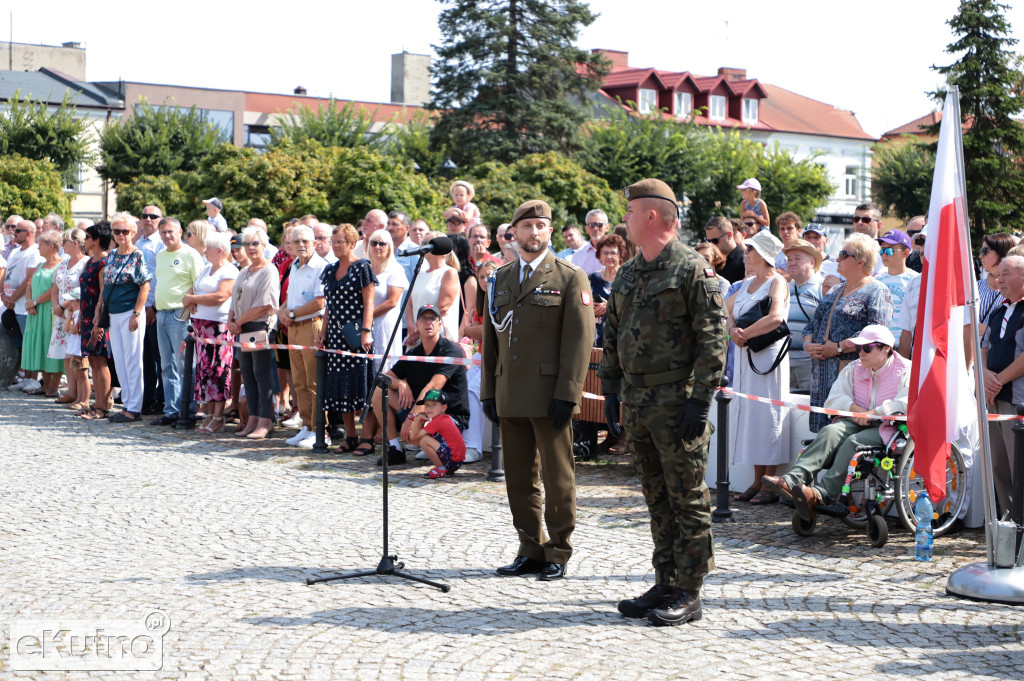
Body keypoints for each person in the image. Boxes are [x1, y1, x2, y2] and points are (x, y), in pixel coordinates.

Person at [599, 179, 727, 626]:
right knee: (655, 496)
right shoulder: (631, 272)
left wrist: (701, 401)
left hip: (678, 401)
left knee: (687, 496)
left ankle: (689, 590)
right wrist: (611, 387)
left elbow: (714, 340)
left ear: (652, 215)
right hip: (637, 400)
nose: (625, 219)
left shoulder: (692, 269)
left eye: (630, 211)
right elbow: (611, 332)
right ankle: (665, 579)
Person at [482, 199, 594, 583]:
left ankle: (558, 550)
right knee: (517, 476)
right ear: (513, 233)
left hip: (550, 396)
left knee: (558, 477)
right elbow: (491, 340)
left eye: (540, 226)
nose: (533, 232)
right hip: (509, 392)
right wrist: (488, 391)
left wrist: (569, 393)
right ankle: (530, 546)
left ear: (549, 231)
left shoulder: (569, 277)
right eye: (526, 226)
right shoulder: (500, 278)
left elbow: (579, 340)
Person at [763, 325, 910, 524]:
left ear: (885, 349)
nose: (861, 353)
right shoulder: (854, 368)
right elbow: (835, 399)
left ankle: (821, 494)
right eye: (859, 348)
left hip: (887, 428)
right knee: (830, 431)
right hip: (855, 420)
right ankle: (791, 480)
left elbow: (904, 402)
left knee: (854, 442)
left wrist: (873, 414)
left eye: (867, 348)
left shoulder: (905, 370)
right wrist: (858, 411)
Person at [803, 233, 893, 432]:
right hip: (821, 374)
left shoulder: (877, 291)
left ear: (860, 261)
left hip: (850, 377)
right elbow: (812, 324)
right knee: (821, 435)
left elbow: (877, 333)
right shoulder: (835, 290)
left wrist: (838, 348)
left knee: (841, 433)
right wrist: (808, 343)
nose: (838, 258)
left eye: (844, 254)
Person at [726, 231, 791, 505]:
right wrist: (733, 331)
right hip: (746, 354)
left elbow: (776, 317)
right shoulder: (746, 283)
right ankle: (756, 480)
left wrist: (745, 333)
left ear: (763, 253)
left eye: (750, 249)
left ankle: (770, 481)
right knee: (751, 414)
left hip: (768, 356)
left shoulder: (777, 281)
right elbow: (726, 310)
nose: (747, 254)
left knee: (768, 413)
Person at [367, 305, 470, 465]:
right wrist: (400, 383)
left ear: (439, 324)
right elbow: (382, 379)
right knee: (380, 390)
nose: (428, 323)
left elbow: (433, 387)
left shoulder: (451, 351)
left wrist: (411, 418)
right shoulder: (413, 353)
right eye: (424, 318)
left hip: (448, 417)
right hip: (423, 413)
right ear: (417, 325)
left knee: (423, 439)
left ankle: (444, 459)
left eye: (432, 319)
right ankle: (395, 449)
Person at [316, 224, 376, 452]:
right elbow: (329, 305)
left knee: (363, 385)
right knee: (341, 386)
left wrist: (366, 331)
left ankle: (367, 438)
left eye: (339, 241)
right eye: (333, 242)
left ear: (352, 243)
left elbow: (369, 302)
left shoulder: (361, 267)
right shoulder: (330, 270)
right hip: (336, 336)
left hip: (357, 335)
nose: (335, 246)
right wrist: (323, 331)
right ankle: (350, 436)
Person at [980, 255, 1024, 516]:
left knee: (1018, 462)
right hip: (993, 398)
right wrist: (985, 375)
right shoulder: (998, 310)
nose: (1000, 279)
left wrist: (997, 381)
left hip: (1015, 399)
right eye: (999, 274)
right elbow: (984, 346)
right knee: (999, 463)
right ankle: (1010, 521)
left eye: (1006, 273)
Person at [183, 232, 238, 434]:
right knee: (204, 371)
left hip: (218, 327)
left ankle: (218, 416)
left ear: (219, 251)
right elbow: (193, 290)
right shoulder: (207, 269)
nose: (205, 251)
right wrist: (188, 298)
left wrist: (192, 299)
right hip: (201, 326)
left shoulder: (229, 270)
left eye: (208, 248)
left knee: (218, 370)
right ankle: (207, 413)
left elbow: (221, 296)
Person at [151, 217, 204, 426]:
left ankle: (187, 411)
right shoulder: (161, 255)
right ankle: (171, 410)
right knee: (166, 366)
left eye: (171, 232)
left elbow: (199, 282)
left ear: (180, 231)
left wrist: (187, 305)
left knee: (185, 366)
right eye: (163, 232)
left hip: (180, 315)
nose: (167, 236)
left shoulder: (191, 254)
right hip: (162, 313)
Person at [229, 228, 280, 439]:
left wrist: (238, 321)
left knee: (262, 375)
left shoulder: (269, 270)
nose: (251, 248)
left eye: (255, 243)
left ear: (264, 246)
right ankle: (251, 419)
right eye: (248, 244)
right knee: (247, 375)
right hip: (242, 328)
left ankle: (264, 420)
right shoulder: (244, 271)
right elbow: (235, 299)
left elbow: (264, 305)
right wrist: (231, 320)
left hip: (259, 327)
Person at [280, 225, 328, 448]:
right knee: (299, 380)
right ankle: (307, 425)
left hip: (311, 326)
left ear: (314, 243)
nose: (300, 245)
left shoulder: (321, 267)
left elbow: (320, 302)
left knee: (314, 381)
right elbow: (290, 299)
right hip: (294, 327)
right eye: (296, 241)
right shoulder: (294, 266)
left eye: (305, 241)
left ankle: (321, 430)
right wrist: (283, 312)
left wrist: (291, 313)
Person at [103, 213, 153, 423]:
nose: (121, 235)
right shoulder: (112, 255)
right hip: (113, 312)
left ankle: (134, 407)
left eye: (125, 231)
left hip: (130, 312)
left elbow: (145, 285)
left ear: (133, 232)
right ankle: (127, 404)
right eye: (117, 231)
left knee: (133, 359)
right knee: (120, 359)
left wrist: (137, 313)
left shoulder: (137, 255)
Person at [20, 230, 65, 396]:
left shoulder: (62, 265)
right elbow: (29, 284)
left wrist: (36, 302)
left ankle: (55, 384)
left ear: (51, 246)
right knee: (41, 346)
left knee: (51, 344)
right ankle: (45, 383)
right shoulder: (40, 264)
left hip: (50, 311)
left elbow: (55, 288)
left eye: (41, 244)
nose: (38, 248)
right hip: (35, 312)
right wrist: (29, 303)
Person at [78, 223, 114, 421]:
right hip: (86, 316)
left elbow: (104, 293)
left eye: (87, 237)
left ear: (96, 240)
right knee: (93, 361)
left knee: (101, 362)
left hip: (98, 317)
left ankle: (103, 407)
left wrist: (98, 322)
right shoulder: (90, 260)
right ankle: (96, 404)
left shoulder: (104, 262)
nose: (85, 241)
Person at [47, 228, 88, 404]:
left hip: (76, 312)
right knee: (66, 353)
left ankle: (81, 395)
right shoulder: (63, 263)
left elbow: (84, 290)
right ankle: (71, 391)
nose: (62, 245)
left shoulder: (86, 262)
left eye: (65, 242)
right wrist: (56, 305)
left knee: (77, 355)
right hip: (62, 314)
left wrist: (65, 306)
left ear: (75, 243)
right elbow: (55, 289)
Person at [783, 239, 824, 391]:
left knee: (807, 410)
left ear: (812, 262)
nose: (792, 263)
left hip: (811, 364)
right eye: (789, 259)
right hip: (784, 362)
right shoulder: (783, 288)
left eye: (797, 258)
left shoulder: (822, 288)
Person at [405, 231, 460, 344]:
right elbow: (409, 304)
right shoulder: (420, 274)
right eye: (422, 242)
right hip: (417, 336)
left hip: (439, 337)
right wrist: (411, 327)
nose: (422, 245)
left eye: (427, 242)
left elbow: (443, 307)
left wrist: (419, 330)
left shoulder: (449, 273)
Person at [135, 205, 165, 415]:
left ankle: (161, 400)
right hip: (139, 307)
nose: (148, 219)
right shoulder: (138, 242)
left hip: (156, 307)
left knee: (160, 358)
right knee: (143, 357)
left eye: (153, 216)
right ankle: (146, 398)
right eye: (144, 216)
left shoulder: (161, 243)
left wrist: (153, 307)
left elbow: (162, 277)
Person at [409, 388, 467, 479]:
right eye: (427, 405)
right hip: (456, 461)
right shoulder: (442, 418)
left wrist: (417, 420)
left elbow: (414, 438)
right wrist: (422, 423)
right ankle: (444, 470)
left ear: (443, 408)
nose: (429, 408)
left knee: (425, 440)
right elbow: (416, 441)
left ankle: (441, 469)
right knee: (424, 439)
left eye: (434, 404)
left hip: (453, 460)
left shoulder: (438, 421)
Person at [875, 229, 920, 341]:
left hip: (906, 342)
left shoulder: (916, 280)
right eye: (882, 250)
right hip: (881, 344)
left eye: (890, 250)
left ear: (906, 253)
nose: (884, 254)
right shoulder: (876, 280)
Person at [589, 233, 626, 348]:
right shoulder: (593, 278)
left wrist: (609, 307)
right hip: (597, 336)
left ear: (621, 255)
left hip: (621, 335)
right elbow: (583, 305)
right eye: (605, 253)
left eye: (613, 253)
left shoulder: (628, 278)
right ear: (599, 255)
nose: (609, 256)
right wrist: (592, 311)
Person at [61, 287, 90, 412]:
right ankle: (78, 398)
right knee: (77, 375)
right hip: (73, 350)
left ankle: (85, 400)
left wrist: (72, 318)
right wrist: (70, 316)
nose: (70, 303)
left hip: (79, 350)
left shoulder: (81, 314)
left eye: (72, 301)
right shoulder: (75, 314)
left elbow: (74, 330)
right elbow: (66, 328)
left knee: (83, 375)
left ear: (79, 301)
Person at [704, 216, 745, 283]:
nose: (711, 244)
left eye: (715, 240)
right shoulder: (712, 260)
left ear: (729, 235)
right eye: (709, 241)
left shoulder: (745, 261)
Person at [570, 209, 610, 275]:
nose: (595, 228)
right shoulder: (578, 255)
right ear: (586, 229)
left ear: (607, 227)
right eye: (591, 225)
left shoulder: (616, 252)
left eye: (599, 225)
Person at [772, 212, 802, 278]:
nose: (785, 232)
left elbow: (804, 277)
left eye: (789, 228)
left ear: (799, 231)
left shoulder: (805, 251)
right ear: (779, 232)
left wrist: (782, 274)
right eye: (782, 229)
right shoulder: (773, 253)